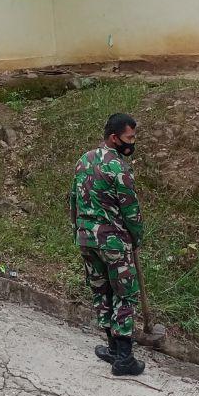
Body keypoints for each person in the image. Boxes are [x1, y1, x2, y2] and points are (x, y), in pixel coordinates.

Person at [70, 113, 146, 377]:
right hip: (113, 241)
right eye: (129, 138)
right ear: (114, 138)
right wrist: (136, 237)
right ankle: (124, 358)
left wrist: (78, 231)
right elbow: (131, 211)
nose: (132, 142)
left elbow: (73, 200)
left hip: (86, 239)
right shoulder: (119, 168)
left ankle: (113, 347)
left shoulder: (84, 160)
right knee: (125, 294)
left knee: (102, 291)